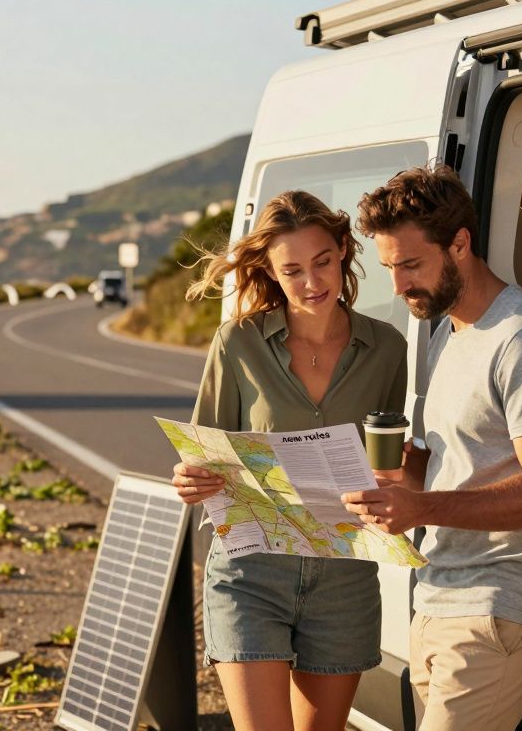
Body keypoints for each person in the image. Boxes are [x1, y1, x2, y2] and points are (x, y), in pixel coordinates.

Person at [342, 165, 522, 730]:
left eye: (410, 265)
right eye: (389, 268)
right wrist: (412, 471)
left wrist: (421, 507)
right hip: (438, 593)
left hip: (501, 606)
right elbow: (467, 462)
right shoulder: (447, 332)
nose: (399, 287)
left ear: (460, 245)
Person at [169, 190, 408, 731]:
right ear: (271, 273)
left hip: (344, 576)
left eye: (322, 262)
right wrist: (190, 479)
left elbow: (389, 461)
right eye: (292, 270)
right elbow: (203, 457)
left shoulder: (390, 348)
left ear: (344, 251)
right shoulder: (237, 343)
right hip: (251, 572)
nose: (311, 283)